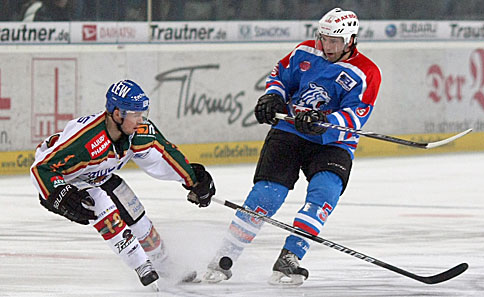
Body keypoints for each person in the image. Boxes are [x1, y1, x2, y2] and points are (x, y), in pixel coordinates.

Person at [203, 8, 381, 286]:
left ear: (351, 40)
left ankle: (290, 257)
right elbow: (279, 77)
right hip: (290, 131)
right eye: (324, 39)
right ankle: (224, 256)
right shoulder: (305, 52)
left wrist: (325, 120)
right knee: (266, 195)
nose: (327, 47)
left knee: (324, 193)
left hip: (332, 142)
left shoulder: (366, 72)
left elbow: (356, 114)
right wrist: (273, 97)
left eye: (335, 41)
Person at [30, 79, 216, 287]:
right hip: (64, 179)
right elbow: (41, 168)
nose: (141, 120)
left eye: (142, 113)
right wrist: (58, 194)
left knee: (136, 214)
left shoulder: (139, 133)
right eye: (135, 114)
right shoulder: (86, 140)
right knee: (99, 202)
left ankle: (165, 265)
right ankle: (140, 264)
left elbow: (166, 153)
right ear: (117, 114)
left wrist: (193, 180)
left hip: (100, 175)